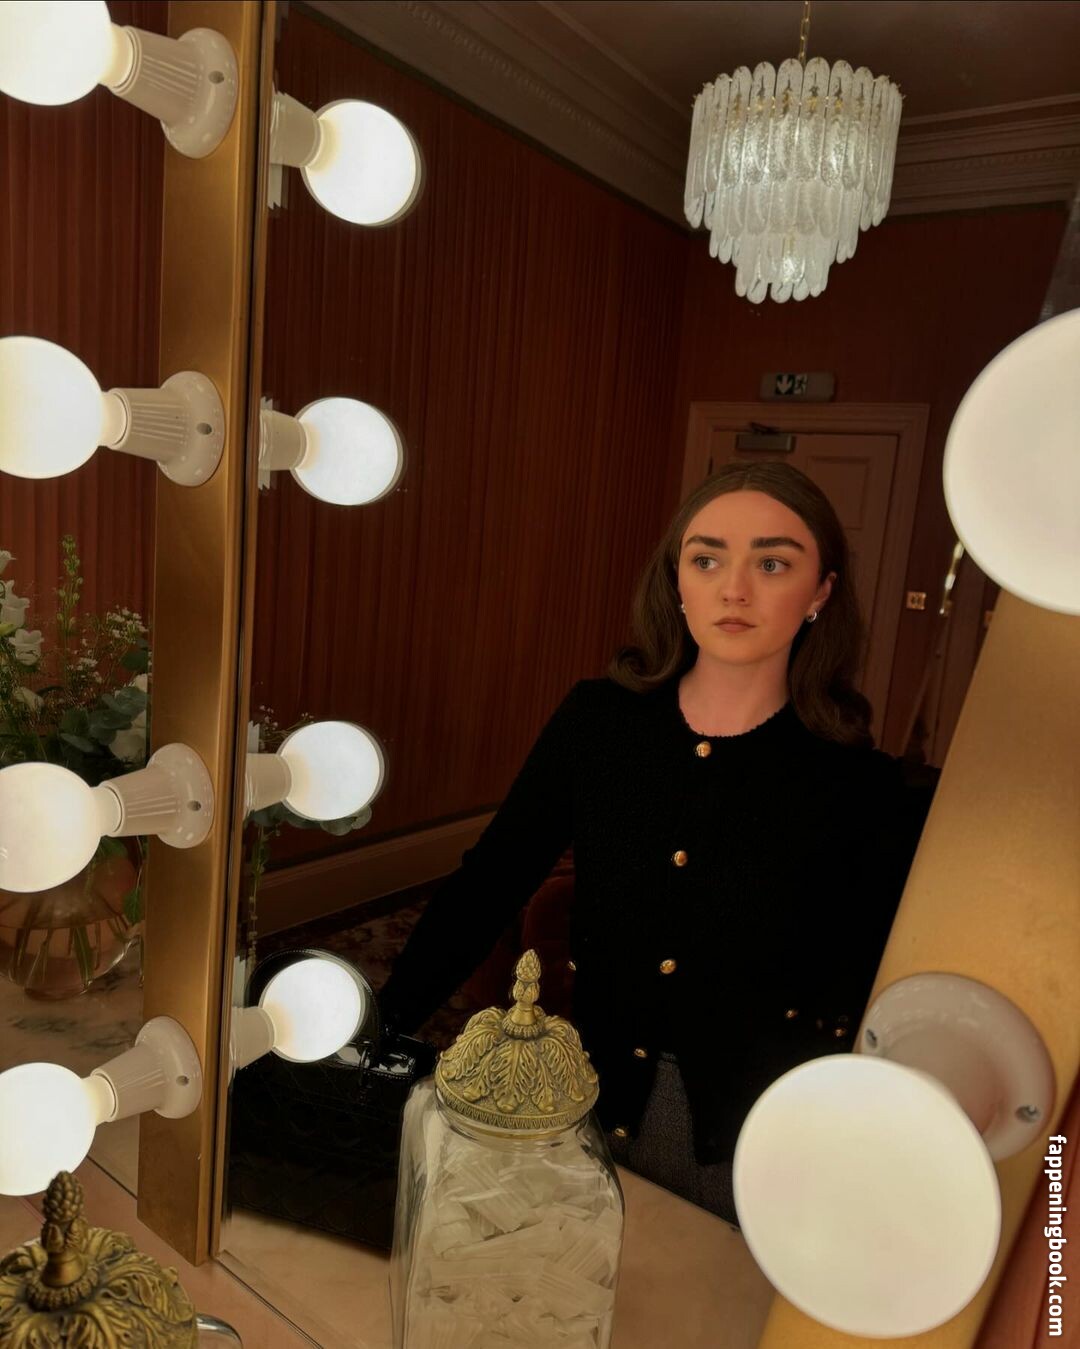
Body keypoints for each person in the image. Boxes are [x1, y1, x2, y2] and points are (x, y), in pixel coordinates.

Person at [378, 461, 934, 1226]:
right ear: (677, 583)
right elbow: (490, 883)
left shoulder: (859, 784)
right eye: (707, 559)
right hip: (584, 1088)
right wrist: (380, 1024)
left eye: (772, 563)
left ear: (821, 593)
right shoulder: (599, 722)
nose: (734, 589)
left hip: (755, 1131)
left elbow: (867, 989)